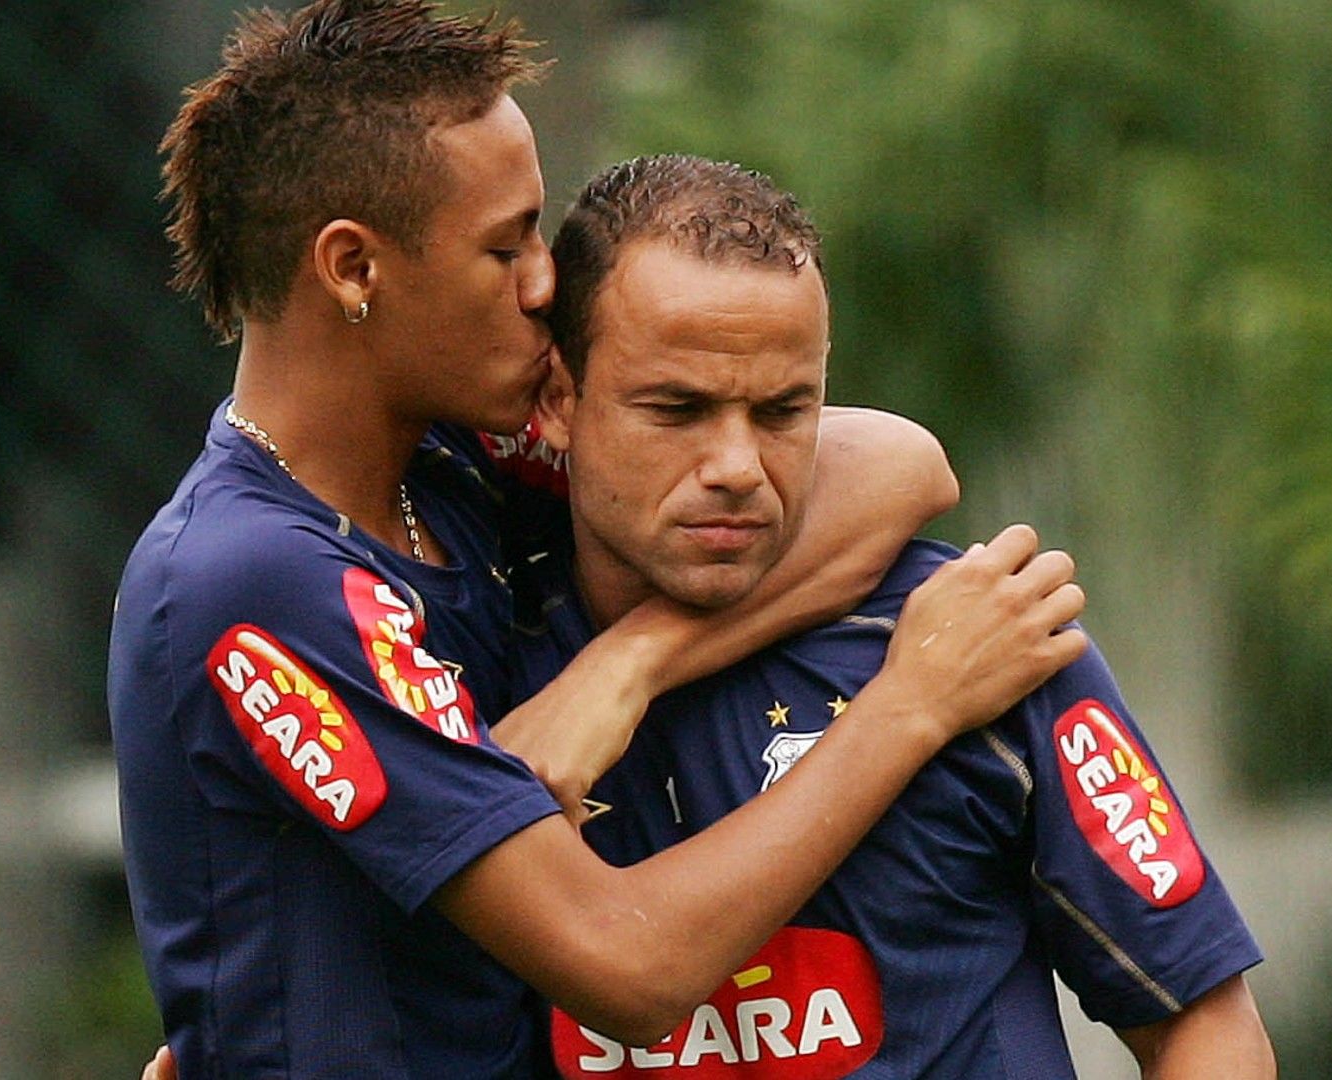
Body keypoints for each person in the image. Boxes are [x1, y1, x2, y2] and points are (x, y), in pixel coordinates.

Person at [110, 2, 1086, 1077]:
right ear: (352, 269)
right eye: (505, 244)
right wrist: (910, 705)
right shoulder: (251, 577)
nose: (545, 284)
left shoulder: (449, 474)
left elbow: (899, 465)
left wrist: (634, 660)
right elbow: (628, 967)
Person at [497, 155, 1275, 1077]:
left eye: (785, 410)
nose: (738, 466)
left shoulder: (976, 635)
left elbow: (1205, 1027)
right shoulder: (467, 651)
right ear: (559, 402)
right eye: (679, 409)